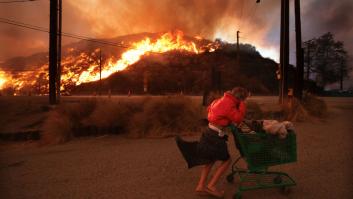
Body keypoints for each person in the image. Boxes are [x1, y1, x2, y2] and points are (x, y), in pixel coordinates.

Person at [175, 87, 248, 198]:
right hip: (216, 136)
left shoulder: (221, 100)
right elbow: (238, 118)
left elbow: (210, 109)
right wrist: (242, 105)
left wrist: (222, 120)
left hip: (209, 131)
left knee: (210, 160)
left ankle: (201, 186)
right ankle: (211, 186)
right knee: (227, 160)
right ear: (240, 98)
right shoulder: (230, 104)